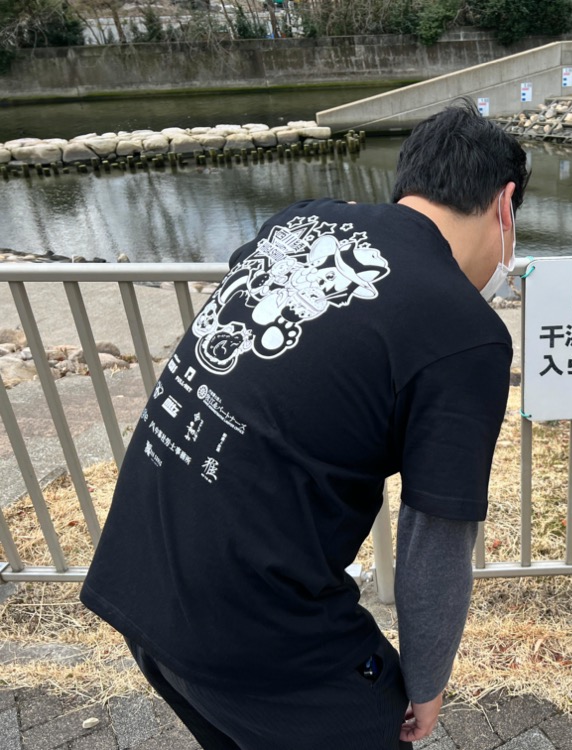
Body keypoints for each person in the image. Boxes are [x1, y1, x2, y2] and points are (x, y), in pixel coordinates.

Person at [81, 100, 528, 749]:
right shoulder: (465, 331)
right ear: (505, 206)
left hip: (138, 580)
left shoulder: (300, 220)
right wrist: (427, 685)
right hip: (253, 630)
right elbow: (435, 540)